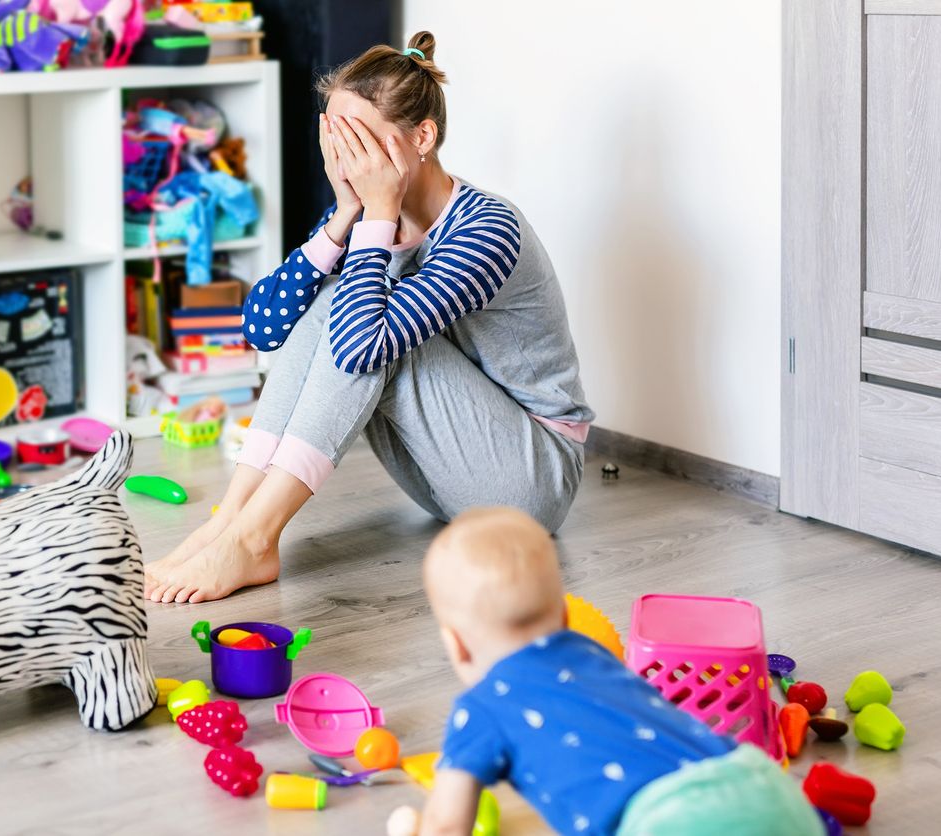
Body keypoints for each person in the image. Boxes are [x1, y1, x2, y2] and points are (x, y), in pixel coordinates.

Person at [144, 31, 593, 605]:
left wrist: (375, 213)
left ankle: (256, 538)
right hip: (446, 478)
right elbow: (263, 327)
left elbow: (358, 348)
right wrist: (347, 217)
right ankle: (231, 520)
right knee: (326, 301)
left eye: (358, 140)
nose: (344, 159)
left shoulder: (487, 229)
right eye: (335, 139)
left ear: (422, 137)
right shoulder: (364, 217)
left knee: (363, 322)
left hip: (531, 481)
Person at [411, 507, 824, 836]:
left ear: (456, 644)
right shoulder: (591, 653)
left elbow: (447, 825)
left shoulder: (480, 708)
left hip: (672, 821)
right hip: (760, 784)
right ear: (566, 614)